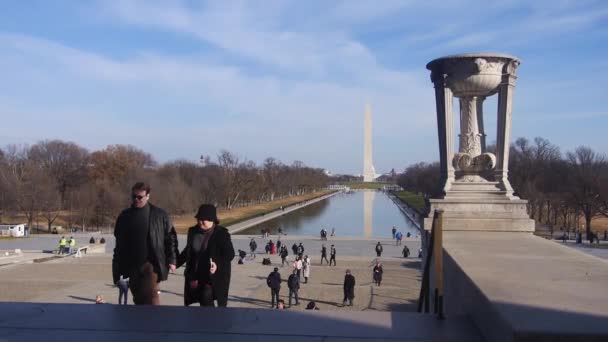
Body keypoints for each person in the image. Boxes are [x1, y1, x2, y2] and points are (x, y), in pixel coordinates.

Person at [112, 182, 177, 305]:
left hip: (152, 264)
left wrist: (172, 260)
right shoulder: (124, 216)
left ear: (148, 196)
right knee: (138, 298)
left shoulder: (160, 215)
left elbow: (171, 238)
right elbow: (119, 245)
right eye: (134, 197)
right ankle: (141, 322)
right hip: (132, 264)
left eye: (140, 197)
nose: (136, 199)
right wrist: (116, 270)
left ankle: (154, 322)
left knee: (152, 296)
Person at [176, 204, 235, 307]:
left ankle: (211, 320)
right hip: (196, 273)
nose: (200, 222)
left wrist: (217, 264)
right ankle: (206, 319)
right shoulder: (193, 231)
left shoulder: (222, 234)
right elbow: (188, 251)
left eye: (203, 220)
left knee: (206, 294)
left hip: (214, 276)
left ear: (212, 220)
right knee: (200, 298)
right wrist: (175, 263)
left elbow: (230, 254)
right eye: (199, 219)